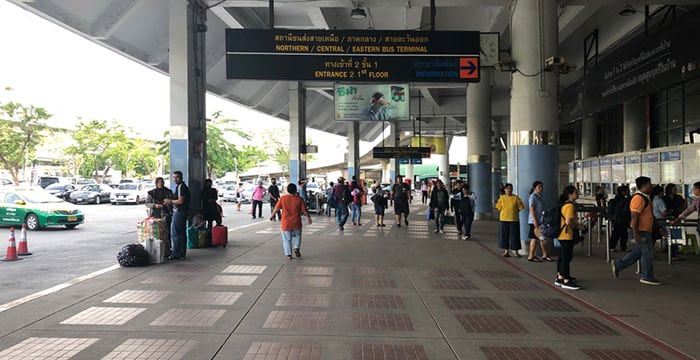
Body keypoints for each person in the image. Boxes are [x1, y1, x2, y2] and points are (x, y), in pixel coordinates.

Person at [611, 176, 662, 286]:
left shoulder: (645, 197)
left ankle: (618, 265)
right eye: (649, 184)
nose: (651, 186)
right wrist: (635, 233)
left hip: (645, 229)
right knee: (647, 252)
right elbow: (634, 217)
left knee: (639, 252)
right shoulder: (638, 198)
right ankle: (647, 276)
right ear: (643, 186)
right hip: (641, 230)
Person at [270, 183, 312, 260]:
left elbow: (276, 208)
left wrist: (272, 215)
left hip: (286, 223)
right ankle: (296, 247)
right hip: (296, 222)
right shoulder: (299, 199)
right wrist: (309, 218)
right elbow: (304, 210)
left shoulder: (283, 198)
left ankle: (288, 254)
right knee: (298, 236)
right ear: (295, 190)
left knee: (287, 239)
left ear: (287, 190)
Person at [555, 185, 583, 290]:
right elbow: (568, 222)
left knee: (563, 256)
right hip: (567, 234)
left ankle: (560, 276)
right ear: (570, 194)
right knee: (566, 257)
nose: (578, 194)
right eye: (576, 192)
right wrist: (577, 226)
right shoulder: (570, 206)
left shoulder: (565, 205)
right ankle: (566, 280)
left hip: (562, 234)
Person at [163, 170, 190, 260]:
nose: (175, 179)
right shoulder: (180, 187)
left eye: (177, 177)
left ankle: (176, 253)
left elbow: (181, 200)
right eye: (174, 177)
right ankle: (181, 253)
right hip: (183, 212)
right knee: (181, 233)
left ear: (181, 178)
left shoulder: (181, 187)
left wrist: (169, 201)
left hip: (179, 211)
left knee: (176, 232)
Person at [495, 183, 525, 257]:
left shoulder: (515, 198)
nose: (509, 190)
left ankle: (516, 251)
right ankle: (506, 251)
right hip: (504, 219)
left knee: (515, 236)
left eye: (510, 188)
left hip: (514, 219)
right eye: (507, 188)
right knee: (504, 236)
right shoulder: (502, 198)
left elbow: (521, 207)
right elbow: (498, 207)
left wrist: (515, 211)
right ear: (504, 190)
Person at [527, 181, 552, 262]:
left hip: (541, 221)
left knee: (542, 237)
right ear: (534, 188)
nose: (541, 189)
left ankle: (545, 254)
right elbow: (531, 209)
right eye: (539, 187)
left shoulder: (540, 196)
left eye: (542, 187)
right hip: (534, 221)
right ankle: (531, 256)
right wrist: (535, 221)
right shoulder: (533, 196)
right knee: (534, 238)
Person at [145, 177, 174, 247]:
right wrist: (155, 205)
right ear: (156, 183)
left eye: (161, 182)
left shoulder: (168, 192)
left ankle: (167, 248)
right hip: (155, 214)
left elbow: (172, 201)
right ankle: (156, 248)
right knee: (156, 232)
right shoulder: (152, 193)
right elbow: (147, 203)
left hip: (166, 214)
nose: (160, 184)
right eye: (158, 182)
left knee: (166, 231)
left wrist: (168, 203)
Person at [607, 186, 630, 252]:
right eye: (627, 191)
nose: (628, 192)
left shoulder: (615, 199)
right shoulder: (624, 200)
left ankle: (612, 246)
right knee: (622, 234)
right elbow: (626, 210)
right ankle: (622, 247)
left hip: (615, 219)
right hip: (622, 219)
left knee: (617, 233)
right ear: (623, 192)